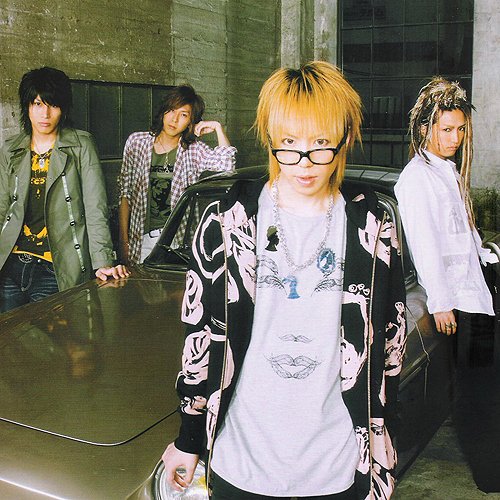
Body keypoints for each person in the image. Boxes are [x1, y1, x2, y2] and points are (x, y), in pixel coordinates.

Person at [162, 61, 407, 499]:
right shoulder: (227, 221)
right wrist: (190, 436)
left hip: (338, 460)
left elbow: (391, 335)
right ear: (270, 138)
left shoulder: (371, 226)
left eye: (321, 143)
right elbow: (199, 334)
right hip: (243, 456)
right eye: (289, 143)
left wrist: (378, 431)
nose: (304, 163)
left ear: (344, 138)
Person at [0, 66, 128, 314]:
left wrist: (102, 261)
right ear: (27, 106)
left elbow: (95, 207)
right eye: (38, 104)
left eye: (53, 105)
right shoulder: (11, 149)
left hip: (54, 267)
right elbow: (2, 208)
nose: (45, 114)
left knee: (48, 335)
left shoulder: (81, 145)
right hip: (10, 265)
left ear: (64, 108)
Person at [394, 77, 498, 336]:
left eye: (461, 129)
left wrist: (485, 255)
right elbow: (424, 243)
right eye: (447, 129)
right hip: (454, 301)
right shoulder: (417, 177)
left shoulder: (448, 171)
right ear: (424, 129)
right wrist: (440, 303)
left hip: (473, 293)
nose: (456, 138)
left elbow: (462, 231)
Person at [118, 84, 237, 265]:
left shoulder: (193, 150)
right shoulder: (137, 142)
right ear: (163, 111)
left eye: (183, 115)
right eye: (172, 110)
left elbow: (227, 165)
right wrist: (123, 241)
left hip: (178, 241)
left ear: (191, 122)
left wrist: (217, 127)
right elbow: (125, 194)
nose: (174, 119)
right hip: (141, 238)